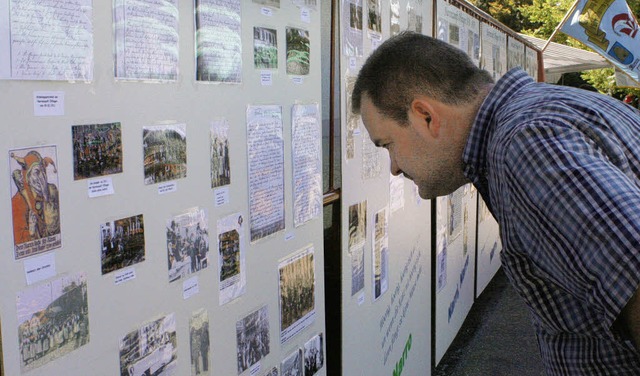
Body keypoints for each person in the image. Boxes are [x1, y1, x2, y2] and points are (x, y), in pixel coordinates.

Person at [351, 31, 640, 374]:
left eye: (387, 144)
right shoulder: (556, 108)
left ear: (425, 116)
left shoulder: (524, 146)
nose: (394, 167)